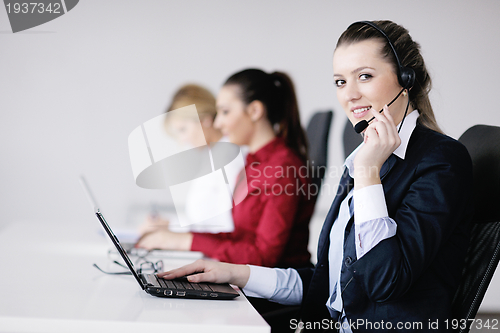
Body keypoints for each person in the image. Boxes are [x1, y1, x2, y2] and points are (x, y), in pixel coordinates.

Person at [158, 20, 473, 331]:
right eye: (340, 81)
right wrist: (233, 273)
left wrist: (367, 175)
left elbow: (383, 282)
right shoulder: (366, 160)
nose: (349, 95)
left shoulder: (438, 161)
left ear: (407, 79)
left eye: (364, 76)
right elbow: (329, 285)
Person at [137, 69, 315, 269]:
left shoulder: (282, 167)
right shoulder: (254, 163)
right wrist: (179, 238)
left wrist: (184, 241)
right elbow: (239, 237)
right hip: (252, 281)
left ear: (255, 111)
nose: (218, 122)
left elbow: (264, 258)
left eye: (225, 112)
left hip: (271, 291)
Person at [138, 83, 237, 235]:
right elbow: (201, 219)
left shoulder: (230, 157)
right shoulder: (211, 156)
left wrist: (170, 226)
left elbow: (228, 224)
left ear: (205, 120)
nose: (183, 140)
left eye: (183, 130)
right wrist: (166, 224)